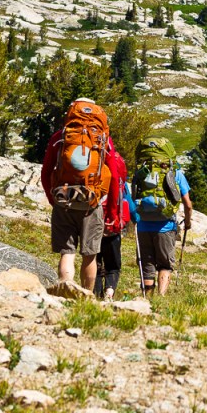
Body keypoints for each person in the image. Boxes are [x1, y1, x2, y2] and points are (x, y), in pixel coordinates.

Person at [40, 98, 113, 295]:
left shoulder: (60, 136)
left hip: (64, 200)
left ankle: (66, 292)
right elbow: (113, 172)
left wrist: (52, 198)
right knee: (90, 255)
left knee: (67, 252)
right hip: (91, 203)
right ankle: (86, 296)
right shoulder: (103, 138)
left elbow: (46, 171)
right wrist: (111, 206)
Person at [133, 138, 193, 296]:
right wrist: (187, 222)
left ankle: (146, 299)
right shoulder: (175, 173)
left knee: (147, 265)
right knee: (165, 265)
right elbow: (188, 204)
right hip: (165, 226)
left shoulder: (141, 171)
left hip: (143, 225)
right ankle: (160, 298)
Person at [95, 143, 132, 300]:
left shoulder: (94, 172)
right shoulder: (120, 183)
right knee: (113, 267)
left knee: (94, 265)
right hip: (112, 230)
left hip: (94, 228)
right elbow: (127, 204)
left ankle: (95, 294)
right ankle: (109, 293)